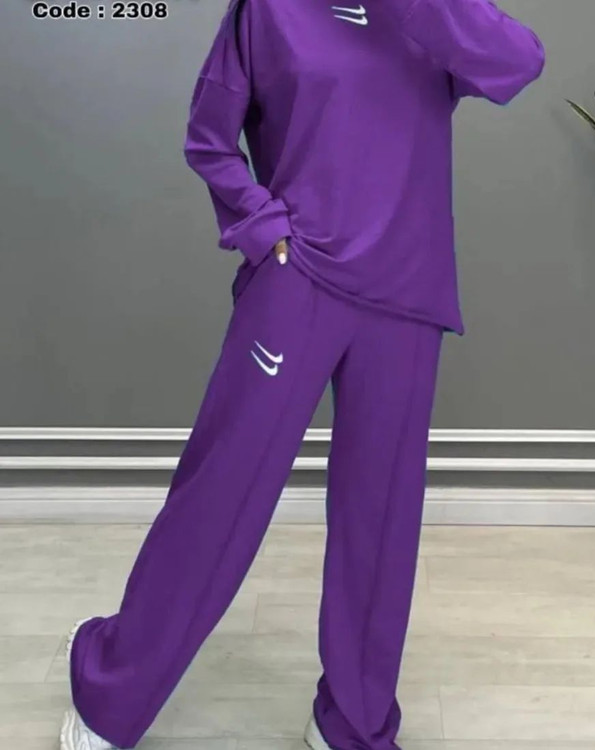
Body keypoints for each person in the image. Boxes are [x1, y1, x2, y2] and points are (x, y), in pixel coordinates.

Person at [60, 0, 545, 748]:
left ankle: (352, 724)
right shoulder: (268, 9)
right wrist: (262, 227)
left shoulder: (429, 12)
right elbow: (209, 136)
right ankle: (110, 691)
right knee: (220, 494)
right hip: (300, 279)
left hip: (407, 295)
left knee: (380, 524)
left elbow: (518, 62)